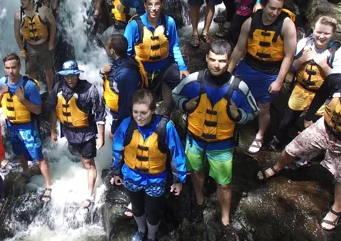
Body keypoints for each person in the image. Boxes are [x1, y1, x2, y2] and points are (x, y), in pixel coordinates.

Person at [257, 54, 341, 231]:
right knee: (292, 148)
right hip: (325, 127)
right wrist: (309, 118)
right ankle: (277, 167)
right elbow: (320, 96)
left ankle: (336, 210)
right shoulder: (335, 81)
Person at [172, 40, 258, 238]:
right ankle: (200, 199)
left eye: (221, 61)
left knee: (224, 184)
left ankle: (225, 217)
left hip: (222, 145)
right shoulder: (194, 80)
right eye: (212, 60)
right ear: (206, 58)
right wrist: (186, 105)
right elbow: (177, 95)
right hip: (195, 140)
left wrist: (238, 116)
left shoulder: (239, 87)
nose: (216, 65)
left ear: (228, 62)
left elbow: (253, 111)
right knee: (196, 171)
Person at [110, 89, 187, 241]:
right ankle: (141, 230)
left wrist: (178, 180)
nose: (139, 117)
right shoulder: (127, 125)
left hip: (156, 179)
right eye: (135, 112)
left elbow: (176, 154)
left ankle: (151, 236)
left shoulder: (166, 127)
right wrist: (116, 172)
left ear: (152, 110)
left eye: (143, 113)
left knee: (153, 211)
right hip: (131, 176)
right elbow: (117, 149)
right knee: (137, 207)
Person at [228, 0, 296, 154]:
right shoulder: (250, 22)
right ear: (263, 6)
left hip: (270, 71)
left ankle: (259, 135)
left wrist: (279, 80)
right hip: (249, 65)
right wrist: (228, 71)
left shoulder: (286, 25)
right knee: (232, 96)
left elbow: (289, 56)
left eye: (279, 9)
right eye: (272, 8)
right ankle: (229, 126)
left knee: (263, 106)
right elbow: (238, 49)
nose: (275, 12)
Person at [268, 16, 341, 151]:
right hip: (301, 88)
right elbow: (290, 65)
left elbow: (338, 81)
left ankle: (303, 151)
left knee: (312, 125)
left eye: (326, 33)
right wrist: (301, 60)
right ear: (313, 30)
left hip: (322, 96)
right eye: (319, 32)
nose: (321, 36)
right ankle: (278, 140)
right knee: (287, 119)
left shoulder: (337, 51)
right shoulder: (304, 43)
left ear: (332, 34)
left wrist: (324, 66)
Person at [0, 53, 53, 202]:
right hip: (11, 125)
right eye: (8, 68)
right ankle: (26, 172)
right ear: (4, 68)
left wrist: (22, 99)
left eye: (14, 67)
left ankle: (49, 185)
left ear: (19, 66)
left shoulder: (29, 85)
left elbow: (38, 110)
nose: (11, 71)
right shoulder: (2, 82)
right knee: (19, 152)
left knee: (38, 157)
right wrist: (1, 94)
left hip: (27, 126)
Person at [47, 60, 106, 208]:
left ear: (77, 74)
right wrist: (53, 129)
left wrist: (101, 137)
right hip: (69, 132)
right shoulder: (58, 88)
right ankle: (90, 170)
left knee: (88, 163)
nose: (70, 79)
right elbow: (53, 109)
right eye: (66, 76)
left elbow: (100, 113)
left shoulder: (89, 89)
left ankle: (90, 195)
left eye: (73, 75)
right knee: (81, 159)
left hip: (87, 133)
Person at [124, 0, 189, 112]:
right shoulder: (134, 26)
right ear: (145, 5)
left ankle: (172, 111)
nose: (153, 8)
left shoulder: (169, 22)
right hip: (141, 68)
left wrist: (182, 67)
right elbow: (125, 53)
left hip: (164, 65)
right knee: (127, 81)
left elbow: (174, 46)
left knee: (185, 82)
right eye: (150, 4)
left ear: (162, 5)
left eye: (157, 4)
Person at [14, 0, 57, 91]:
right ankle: (32, 92)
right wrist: (22, 50)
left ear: (32, 0)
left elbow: (53, 24)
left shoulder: (44, 10)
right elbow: (16, 33)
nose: (21, 1)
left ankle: (50, 91)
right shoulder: (18, 14)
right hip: (30, 46)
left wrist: (51, 42)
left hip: (44, 45)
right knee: (30, 73)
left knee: (48, 70)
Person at [102, 34, 144, 136]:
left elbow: (126, 106)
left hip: (123, 120)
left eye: (107, 45)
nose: (105, 47)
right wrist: (101, 72)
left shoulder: (126, 75)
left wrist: (116, 128)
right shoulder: (119, 62)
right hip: (112, 114)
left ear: (112, 50)